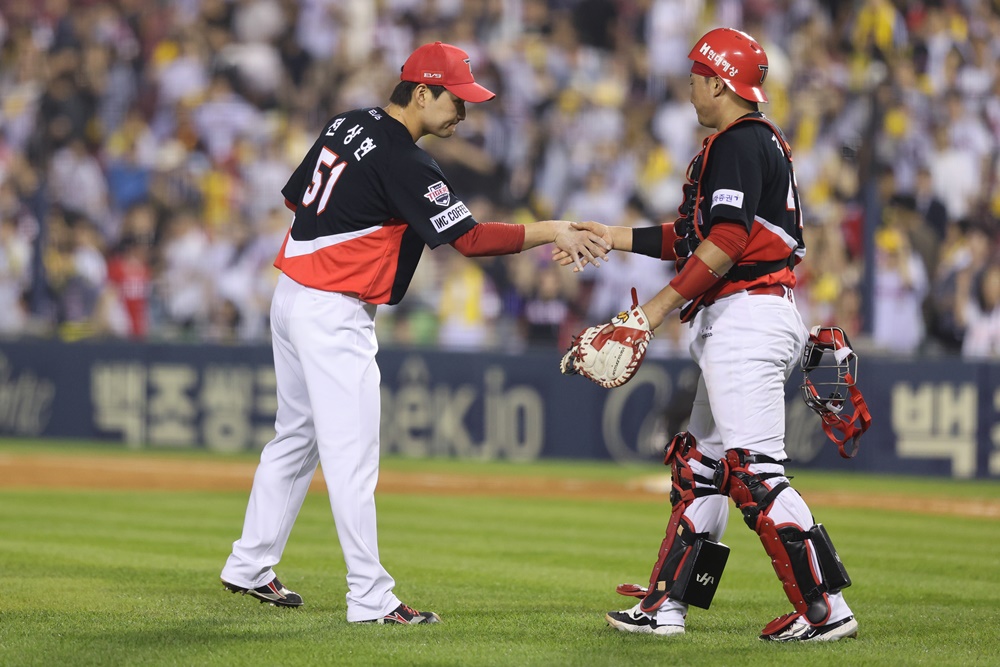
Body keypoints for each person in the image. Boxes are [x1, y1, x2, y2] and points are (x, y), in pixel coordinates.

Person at [220, 41, 609, 624]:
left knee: (295, 437)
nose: (464, 112)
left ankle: (249, 563)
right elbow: (470, 239)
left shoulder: (347, 121)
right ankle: (370, 597)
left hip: (292, 293)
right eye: (456, 99)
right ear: (422, 92)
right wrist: (550, 228)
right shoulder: (406, 159)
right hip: (332, 308)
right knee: (351, 458)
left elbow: (296, 197)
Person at [561, 28, 858, 641]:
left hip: (747, 318)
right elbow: (695, 235)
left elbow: (723, 244)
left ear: (720, 82)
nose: (690, 87)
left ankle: (825, 610)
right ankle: (669, 605)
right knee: (700, 468)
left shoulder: (740, 141)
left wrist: (653, 312)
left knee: (755, 474)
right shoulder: (744, 144)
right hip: (746, 314)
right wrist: (614, 237)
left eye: (697, 76)